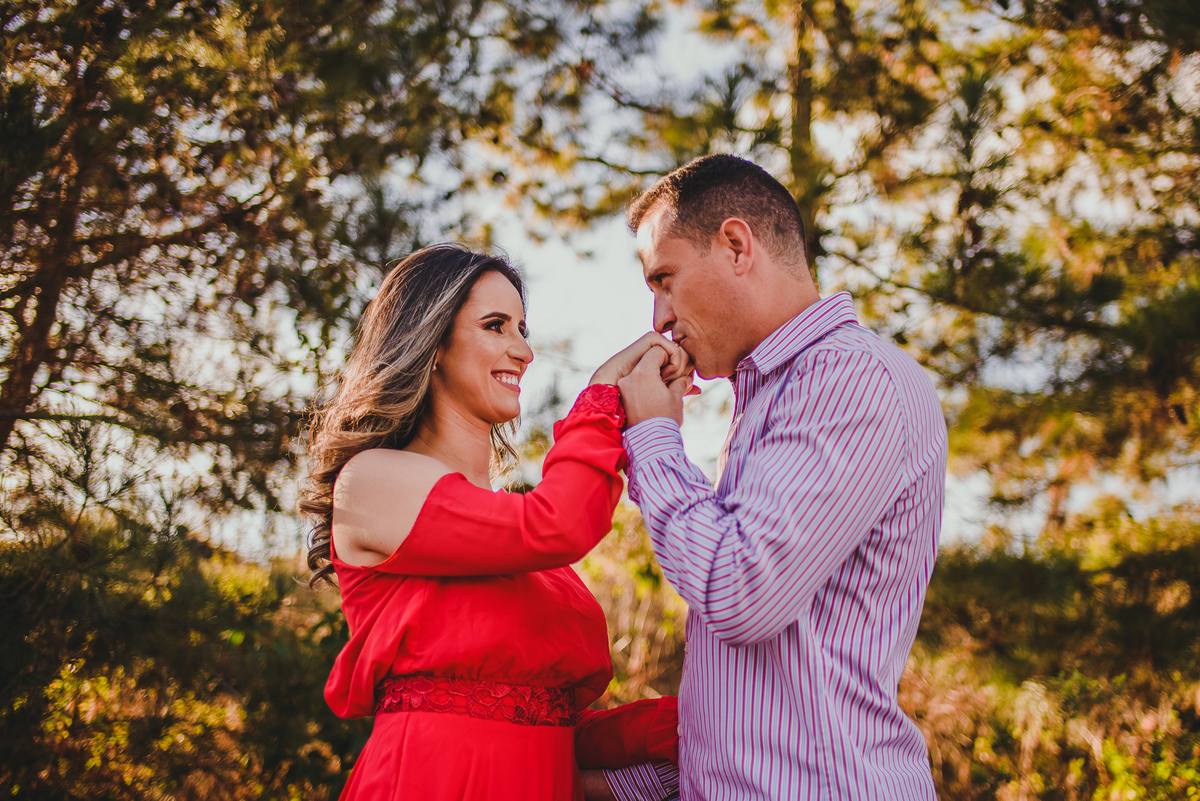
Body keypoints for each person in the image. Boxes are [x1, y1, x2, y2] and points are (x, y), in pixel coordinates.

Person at [600, 154, 948, 800]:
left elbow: (739, 590)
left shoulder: (848, 378)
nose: (659, 319)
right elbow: (764, 699)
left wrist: (652, 436)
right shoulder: (774, 399)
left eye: (665, 280)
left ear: (736, 245)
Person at [299, 245, 684, 800]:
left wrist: (692, 722)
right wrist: (603, 395)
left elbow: (546, 724)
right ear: (432, 343)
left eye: (522, 329)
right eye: (495, 325)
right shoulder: (373, 480)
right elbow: (560, 523)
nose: (524, 351)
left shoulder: (517, 539)